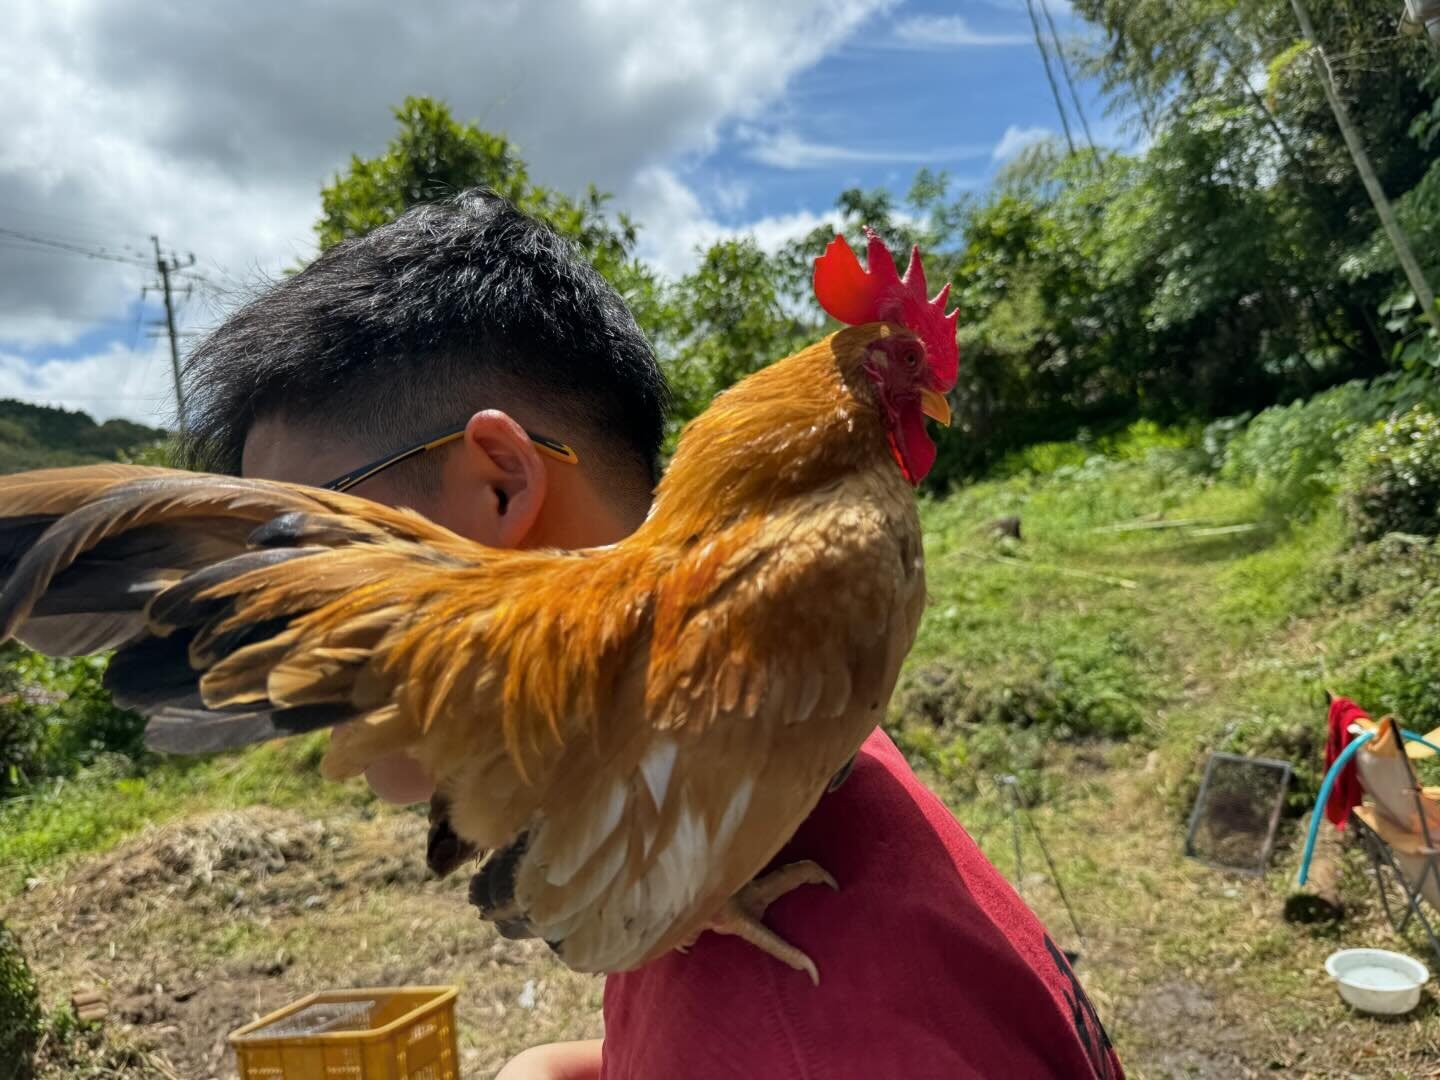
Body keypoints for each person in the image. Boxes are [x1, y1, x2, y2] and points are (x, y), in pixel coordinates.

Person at [180, 188, 1124, 1080]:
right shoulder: (776, 732)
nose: (290, 602)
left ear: (502, 482)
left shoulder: (791, 986)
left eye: (320, 530)